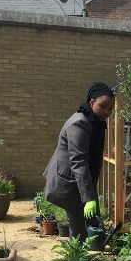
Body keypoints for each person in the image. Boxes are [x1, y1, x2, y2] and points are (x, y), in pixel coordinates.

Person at [43, 82, 115, 242]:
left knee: (90, 224)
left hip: (77, 182)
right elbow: (79, 161)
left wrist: (90, 195)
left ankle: (83, 256)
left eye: (110, 109)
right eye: (103, 106)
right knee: (80, 230)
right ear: (91, 102)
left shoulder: (94, 121)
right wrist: (88, 198)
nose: (107, 112)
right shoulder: (80, 123)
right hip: (68, 182)